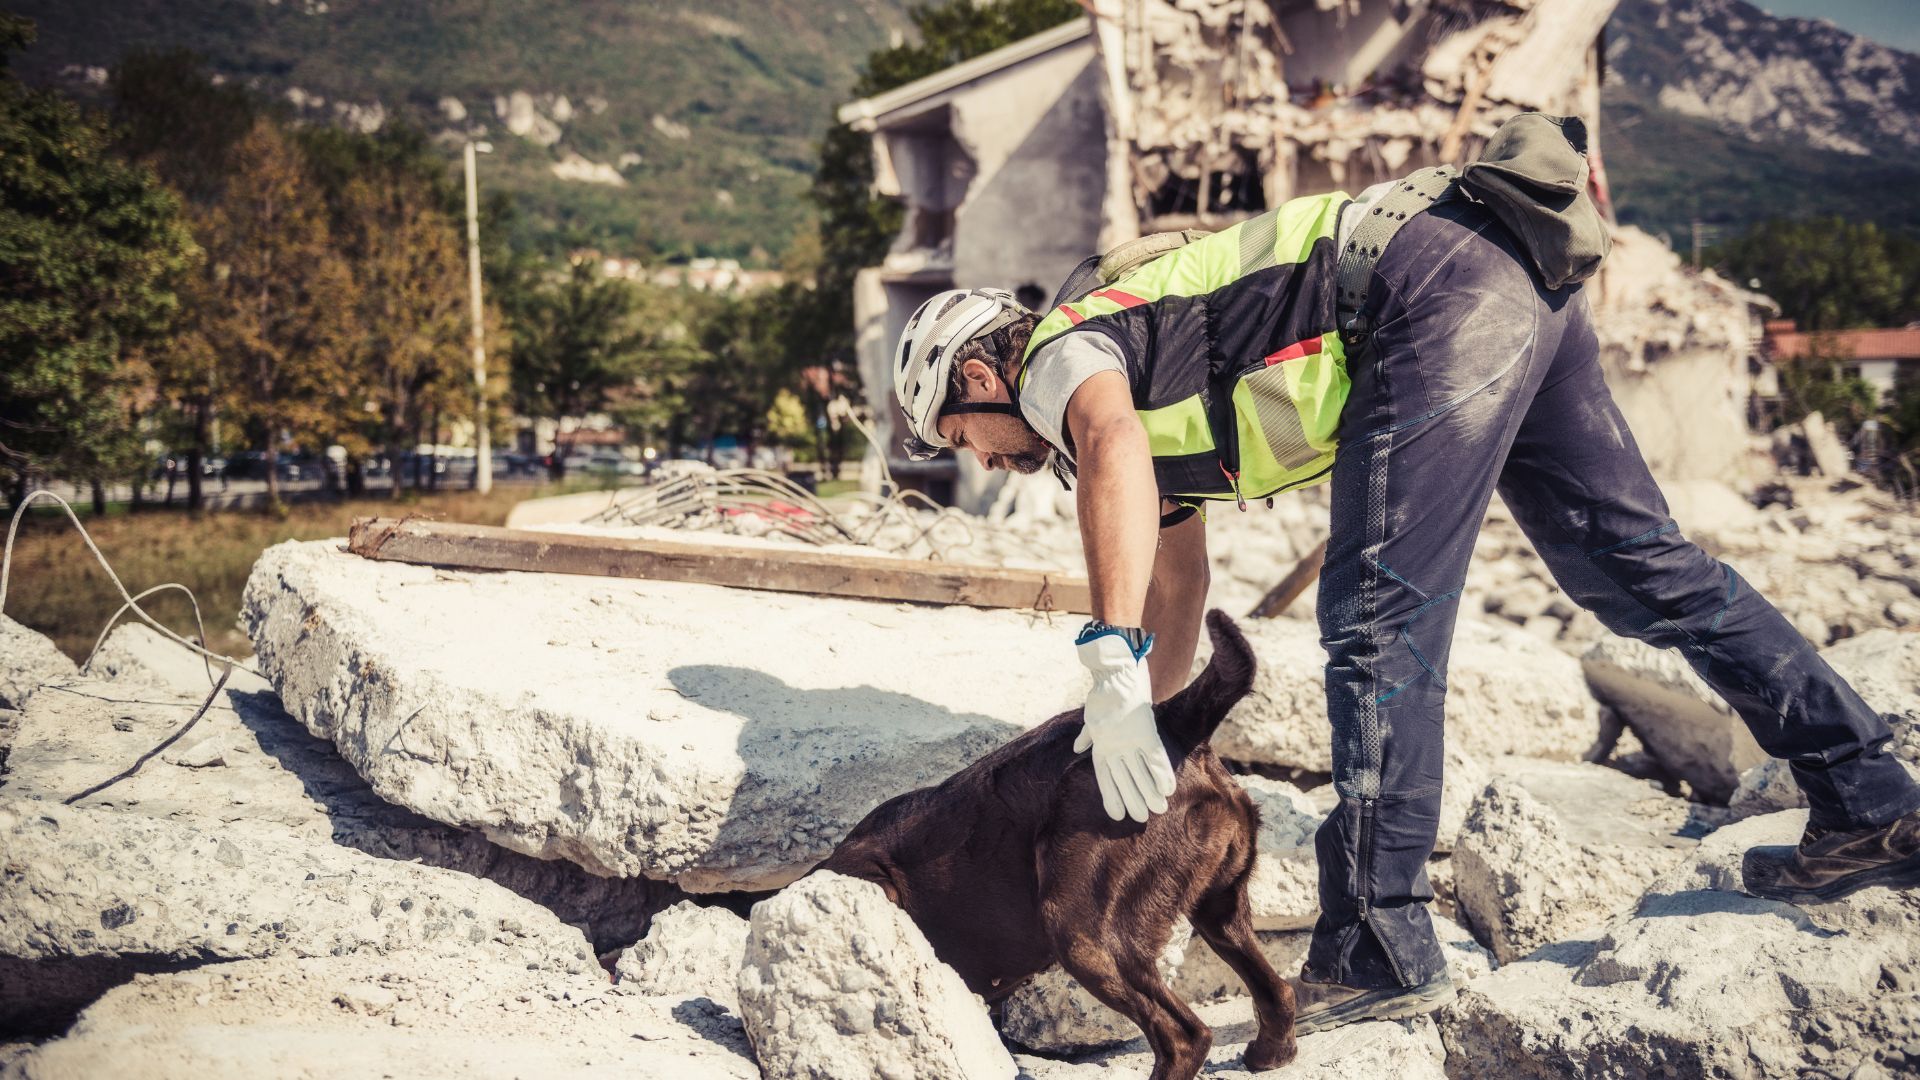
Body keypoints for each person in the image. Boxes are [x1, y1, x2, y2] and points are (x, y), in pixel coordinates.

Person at [889, 160, 1920, 1032]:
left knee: (1378, 622)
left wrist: (1107, 659)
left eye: (957, 435)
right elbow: (1178, 576)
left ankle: (1379, 945)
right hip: (1507, 277)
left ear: (974, 374)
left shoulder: (1056, 354)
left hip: (1422, 293)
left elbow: (1111, 442)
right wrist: (1144, 724)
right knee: (1637, 565)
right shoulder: (1124, 383)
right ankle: (1867, 797)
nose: (982, 458)